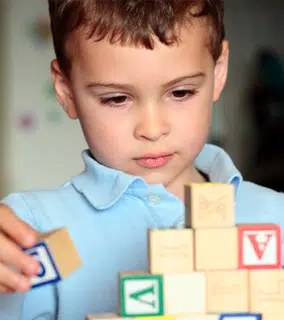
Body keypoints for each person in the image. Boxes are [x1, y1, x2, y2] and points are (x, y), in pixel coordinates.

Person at [0, 0, 283, 319]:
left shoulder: (277, 216)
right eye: (116, 98)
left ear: (218, 73)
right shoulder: (26, 227)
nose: (152, 129)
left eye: (181, 93)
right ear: (66, 91)